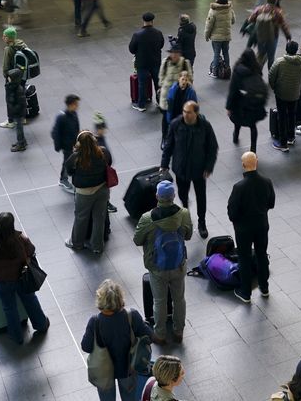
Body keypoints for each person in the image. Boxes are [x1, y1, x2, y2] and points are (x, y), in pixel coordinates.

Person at [134, 180, 192, 344]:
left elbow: (137, 240)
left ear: (157, 196)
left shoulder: (147, 218)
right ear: (173, 196)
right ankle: (178, 332)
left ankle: (159, 334)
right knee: (179, 299)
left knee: (159, 301)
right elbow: (188, 236)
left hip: (156, 267)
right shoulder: (184, 214)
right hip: (179, 264)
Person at [0, 211, 50, 345]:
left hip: (1, 283)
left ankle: (16, 336)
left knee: (9, 308)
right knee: (31, 301)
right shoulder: (19, 239)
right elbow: (31, 250)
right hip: (21, 279)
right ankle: (41, 324)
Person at [81, 280, 153, 401]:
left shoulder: (95, 321)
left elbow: (86, 347)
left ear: (101, 300)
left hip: (103, 371)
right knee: (130, 397)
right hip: (128, 368)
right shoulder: (132, 315)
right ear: (120, 298)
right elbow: (149, 336)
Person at [161, 100, 219, 240]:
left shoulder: (205, 126)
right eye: (184, 111)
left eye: (189, 112)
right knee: (182, 193)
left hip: (199, 169)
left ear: (196, 113)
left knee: (201, 197)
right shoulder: (176, 124)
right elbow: (168, 145)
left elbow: (213, 147)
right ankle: (186, 212)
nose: (185, 115)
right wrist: (164, 164)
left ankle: (202, 222)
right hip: (181, 168)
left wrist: (208, 167)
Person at [228, 151, 276, 304]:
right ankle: (264, 287)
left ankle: (246, 292)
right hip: (262, 225)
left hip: (243, 230)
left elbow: (232, 212)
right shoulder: (267, 181)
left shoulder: (239, 187)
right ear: (257, 162)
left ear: (243, 165)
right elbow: (271, 204)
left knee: (244, 257)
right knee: (262, 255)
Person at [64, 131, 113, 255]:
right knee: (99, 217)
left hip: (84, 193)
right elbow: (110, 163)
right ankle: (97, 246)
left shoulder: (76, 157)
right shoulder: (103, 152)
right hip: (102, 190)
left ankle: (77, 243)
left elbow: (68, 171)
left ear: (79, 143)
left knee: (81, 217)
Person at [268, 41, 301, 151]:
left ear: (286, 49)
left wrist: (274, 87)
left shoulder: (279, 62)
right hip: (295, 93)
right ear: (296, 50)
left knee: (281, 116)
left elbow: (271, 76)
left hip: (281, 93)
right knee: (292, 115)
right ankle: (291, 137)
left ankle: (283, 143)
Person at [227, 49, 269, 153]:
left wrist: (229, 106)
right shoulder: (256, 69)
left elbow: (232, 90)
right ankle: (253, 148)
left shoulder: (238, 71)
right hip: (254, 103)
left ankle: (235, 135)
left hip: (240, 103)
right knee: (252, 126)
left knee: (237, 121)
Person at [130, 13, 165, 112]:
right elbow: (161, 44)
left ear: (143, 21)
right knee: (158, 83)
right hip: (155, 62)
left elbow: (131, 49)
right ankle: (160, 102)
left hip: (142, 64)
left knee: (142, 84)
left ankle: (141, 105)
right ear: (152, 21)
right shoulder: (158, 33)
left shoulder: (137, 35)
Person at [52, 95, 82, 189]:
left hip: (74, 144)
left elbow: (77, 128)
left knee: (72, 160)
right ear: (70, 105)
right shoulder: (62, 117)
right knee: (67, 161)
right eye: (76, 104)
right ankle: (63, 179)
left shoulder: (74, 114)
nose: (77, 106)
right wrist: (58, 146)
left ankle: (71, 176)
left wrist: (78, 139)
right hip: (66, 145)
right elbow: (55, 133)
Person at [204, 0, 235, 77]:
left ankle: (214, 72)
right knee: (226, 52)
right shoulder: (230, 9)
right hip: (226, 36)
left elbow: (208, 25)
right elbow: (233, 21)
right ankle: (227, 69)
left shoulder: (213, 11)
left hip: (216, 38)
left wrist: (206, 36)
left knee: (216, 54)